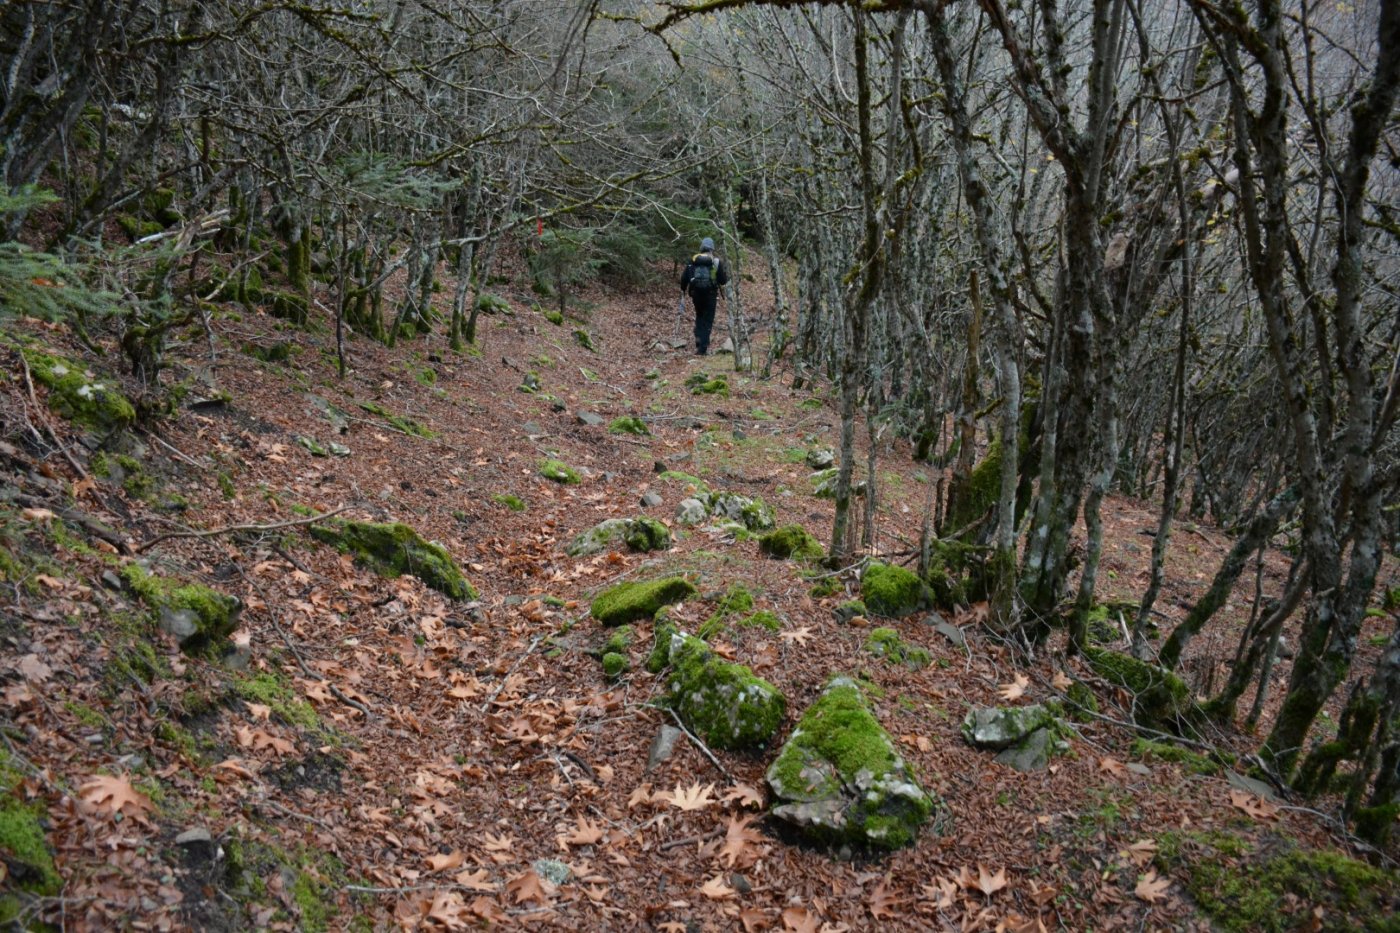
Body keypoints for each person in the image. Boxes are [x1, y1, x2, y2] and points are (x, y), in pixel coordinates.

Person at [680, 237, 729, 355]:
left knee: (699, 315)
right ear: (712, 249)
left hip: (696, 294)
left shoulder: (693, 261)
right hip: (710, 295)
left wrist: (683, 289)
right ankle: (702, 348)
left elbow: (684, 278)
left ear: (701, 248)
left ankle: (698, 337)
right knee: (708, 319)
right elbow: (723, 281)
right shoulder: (716, 262)